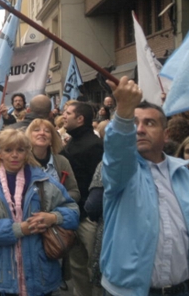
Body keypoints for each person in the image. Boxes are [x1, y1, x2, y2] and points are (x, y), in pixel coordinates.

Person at [101, 77, 189, 296]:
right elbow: (117, 154)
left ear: (166, 135)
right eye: (134, 123)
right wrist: (123, 111)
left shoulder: (184, 174)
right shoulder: (123, 173)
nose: (140, 129)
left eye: (149, 123)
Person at [0, 129, 79, 296]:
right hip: (4, 272)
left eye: (20, 150)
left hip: (40, 270)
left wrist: (53, 217)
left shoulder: (43, 181)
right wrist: (19, 229)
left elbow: (73, 211)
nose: (14, 155)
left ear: (27, 152)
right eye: (8, 150)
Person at [61, 101, 104, 296]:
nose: (64, 116)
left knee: (93, 266)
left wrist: (88, 211)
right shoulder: (71, 142)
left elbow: (99, 184)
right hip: (73, 215)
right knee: (77, 266)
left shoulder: (95, 145)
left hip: (89, 218)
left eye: (68, 113)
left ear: (80, 119)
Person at [26, 118, 80, 202]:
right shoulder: (22, 161)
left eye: (47, 131)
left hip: (55, 212)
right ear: (28, 136)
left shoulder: (62, 161)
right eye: (36, 130)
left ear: (51, 139)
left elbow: (75, 193)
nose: (42, 133)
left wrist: (56, 199)